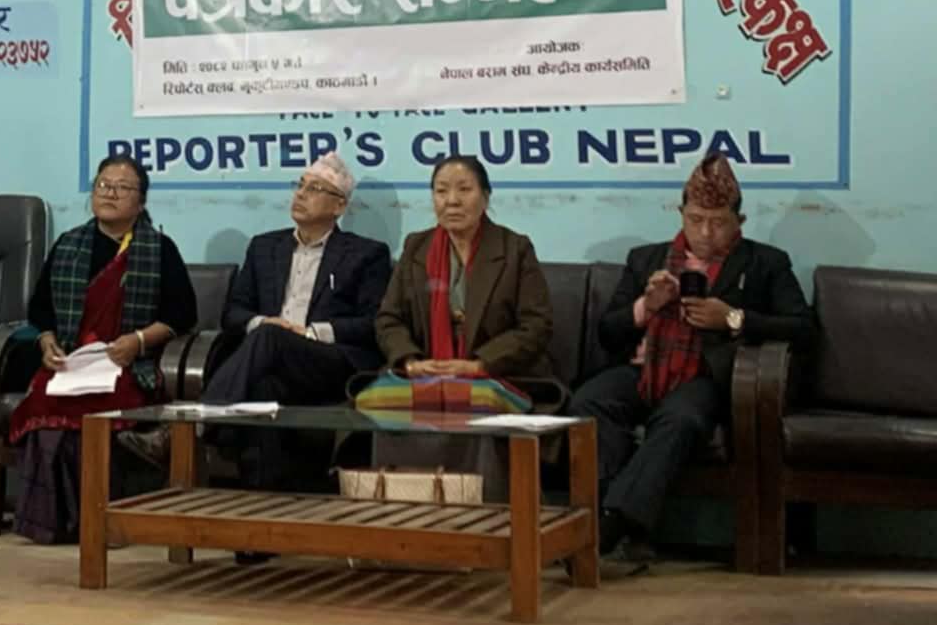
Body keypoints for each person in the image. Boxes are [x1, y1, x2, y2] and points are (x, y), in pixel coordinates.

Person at [576, 153, 812, 559]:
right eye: (695, 219)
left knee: (681, 418)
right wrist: (646, 307)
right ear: (681, 214)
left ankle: (612, 522)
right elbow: (608, 332)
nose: (705, 232)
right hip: (643, 367)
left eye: (718, 222)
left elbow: (802, 328)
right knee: (589, 401)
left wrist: (732, 318)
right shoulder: (645, 259)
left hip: (706, 375)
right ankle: (612, 516)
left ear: (739, 220)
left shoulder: (765, 263)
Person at [121, 152, 391, 499]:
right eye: (300, 185)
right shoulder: (264, 247)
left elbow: (371, 322)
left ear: (339, 206)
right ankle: (265, 510)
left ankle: (189, 428)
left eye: (314, 189)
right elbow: (233, 313)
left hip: (327, 361)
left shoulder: (366, 254)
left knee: (270, 337)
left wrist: (310, 332)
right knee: (264, 384)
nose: (300, 194)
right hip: (268, 361)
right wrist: (263, 322)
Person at [8, 154, 197, 545]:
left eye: (123, 188)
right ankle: (53, 524)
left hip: (128, 364)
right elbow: (40, 310)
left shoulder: (158, 249)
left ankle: (103, 521)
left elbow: (182, 315)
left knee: (99, 413)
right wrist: (47, 342)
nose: (110, 193)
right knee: (45, 409)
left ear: (141, 202)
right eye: (103, 185)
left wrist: (138, 341)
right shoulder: (68, 245)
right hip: (70, 363)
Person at [370, 156, 555, 494]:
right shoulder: (417, 247)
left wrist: (479, 365)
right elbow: (389, 318)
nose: (451, 201)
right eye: (441, 191)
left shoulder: (514, 249)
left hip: (499, 372)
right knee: (384, 401)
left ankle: (486, 502)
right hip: (428, 369)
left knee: (475, 399)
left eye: (464, 190)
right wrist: (410, 361)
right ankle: (398, 500)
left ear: (485, 197)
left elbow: (536, 325)